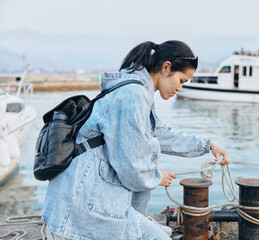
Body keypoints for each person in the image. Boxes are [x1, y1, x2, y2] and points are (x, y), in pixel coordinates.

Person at [42, 40, 230, 240]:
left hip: (77, 202)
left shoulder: (137, 90)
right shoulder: (133, 94)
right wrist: (157, 177)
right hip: (77, 212)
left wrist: (207, 145)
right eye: (182, 80)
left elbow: (158, 132)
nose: (180, 89)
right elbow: (131, 166)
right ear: (166, 68)